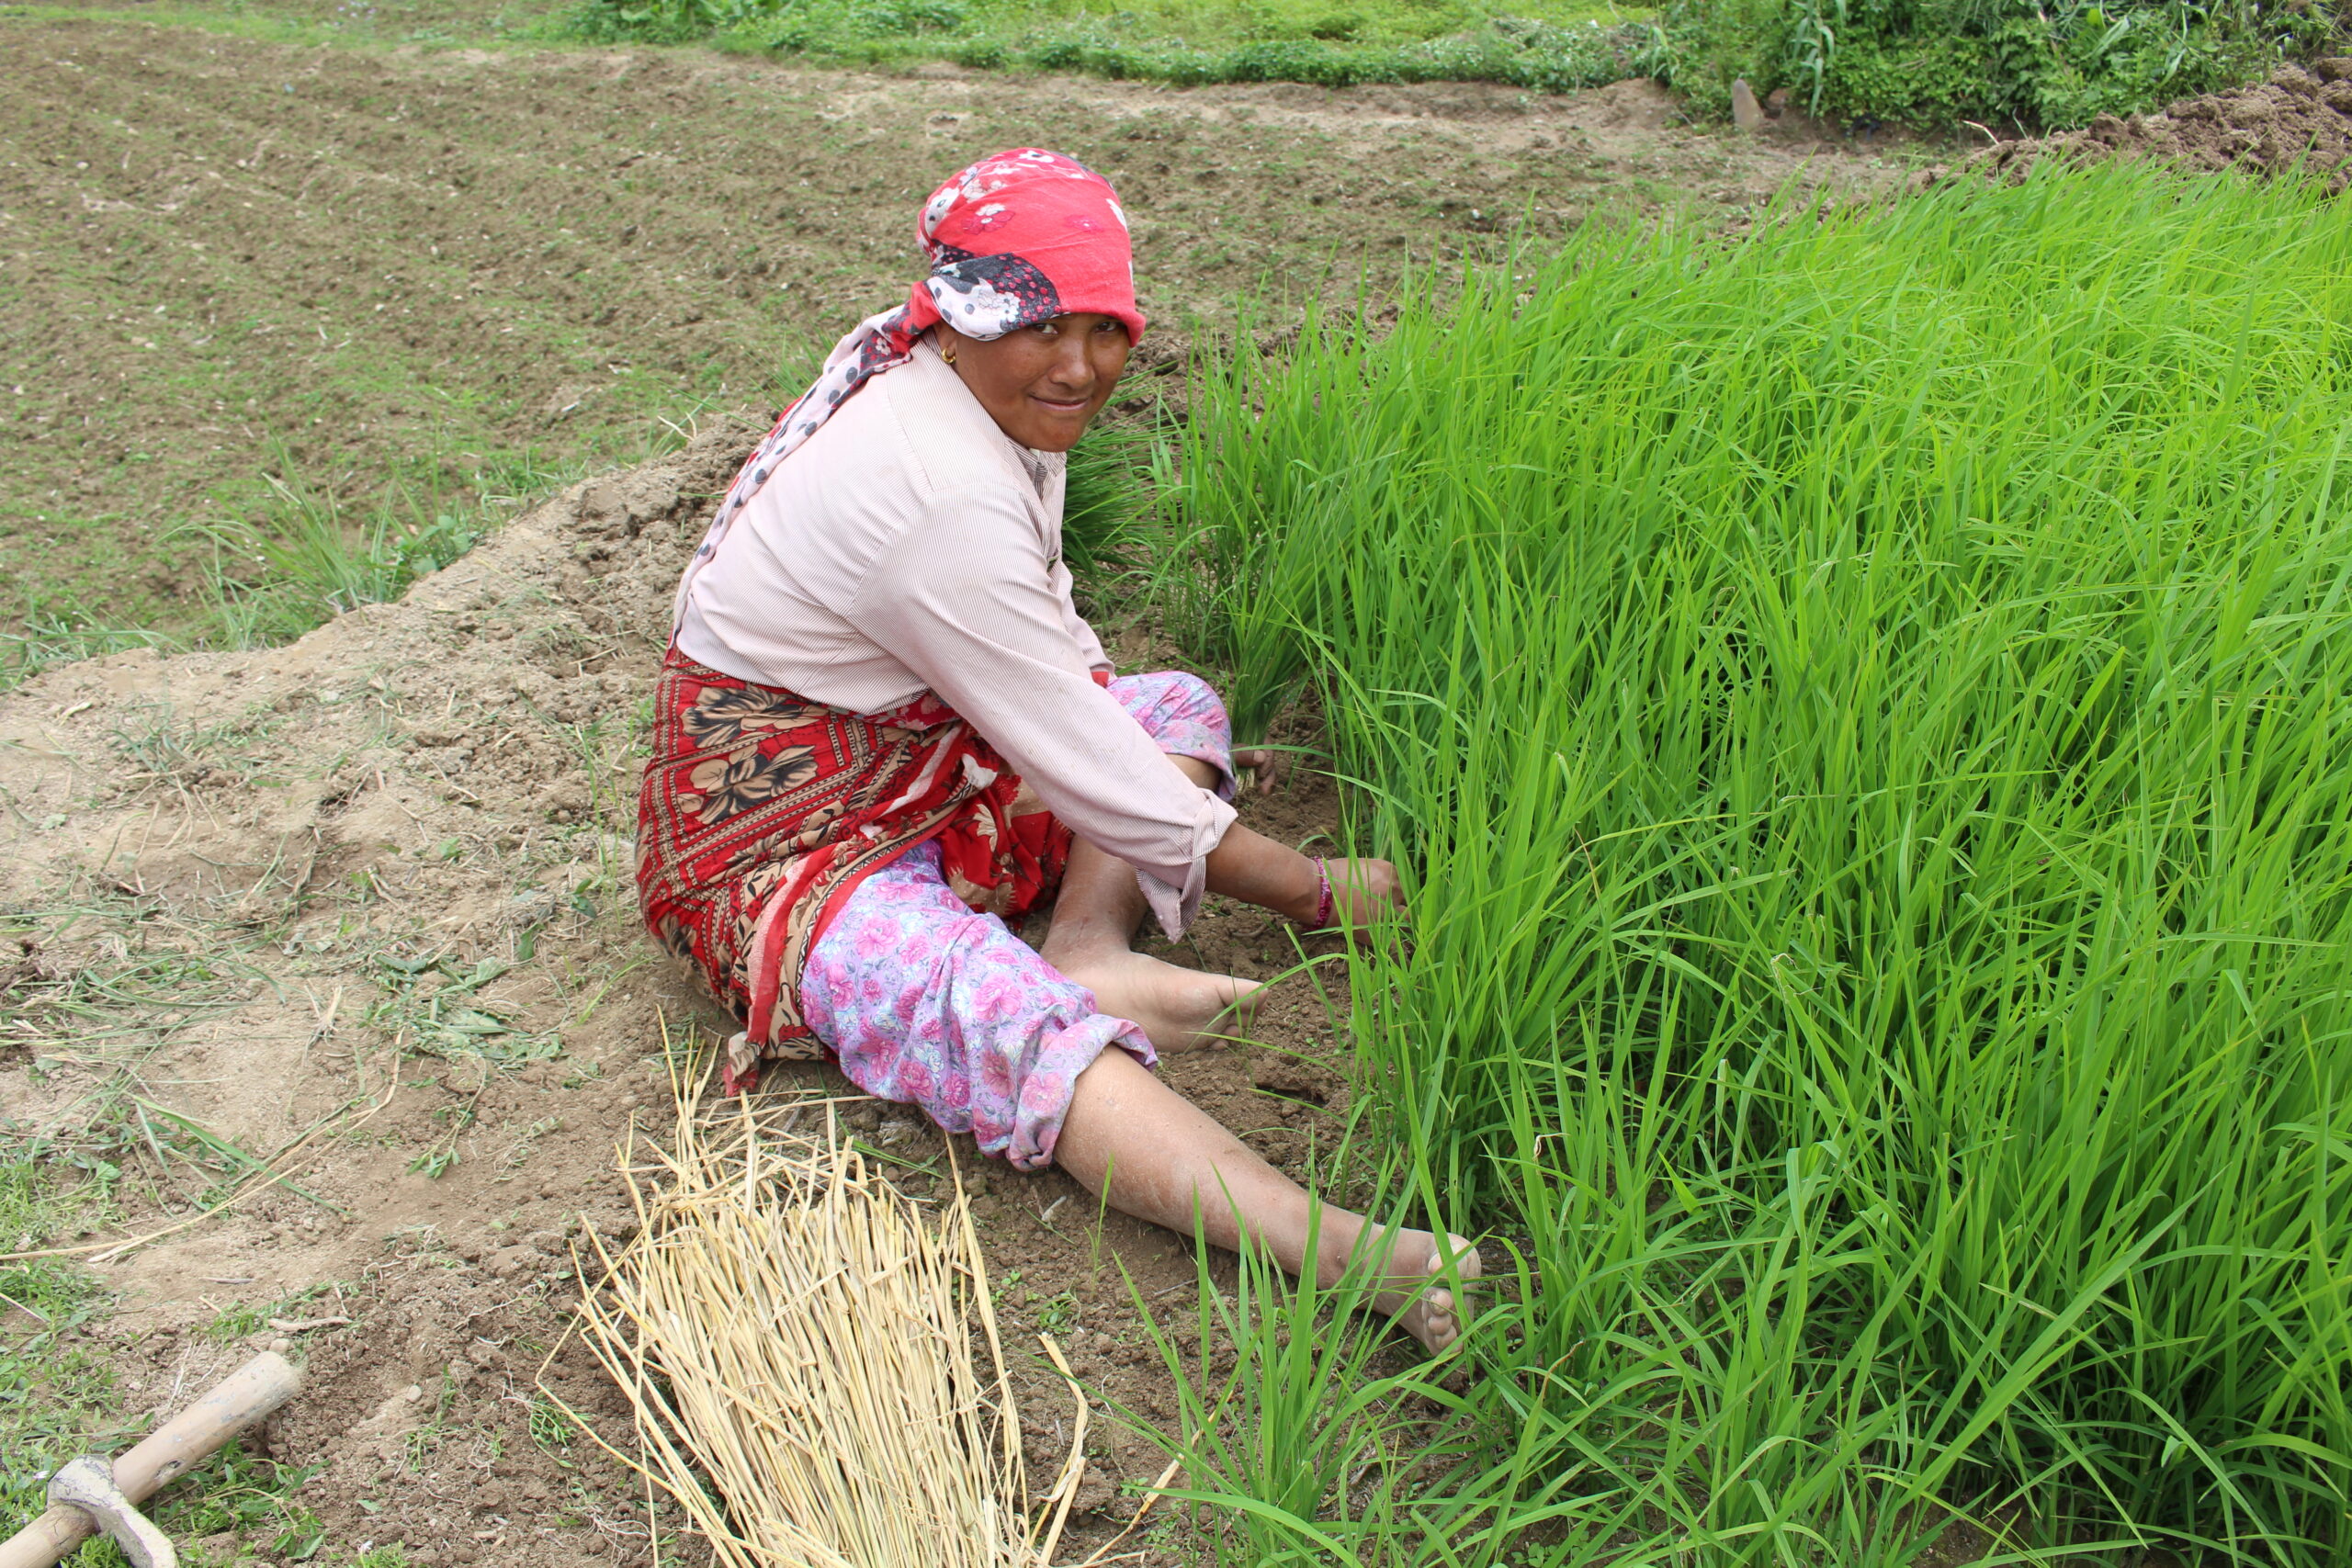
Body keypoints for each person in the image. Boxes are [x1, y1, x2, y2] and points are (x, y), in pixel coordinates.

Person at [636, 148, 1479, 1351]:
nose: (1079, 365)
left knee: (1169, 703)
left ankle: (1088, 942)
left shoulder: (977, 399)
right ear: (954, 316)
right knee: (1007, 1019)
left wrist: (1107, 745)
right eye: (1037, 327)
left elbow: (1060, 651)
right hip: (773, 845)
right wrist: (1318, 891)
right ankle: (1344, 1253)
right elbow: (1083, 752)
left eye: (1105, 328)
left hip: (915, 768)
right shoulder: (932, 482)